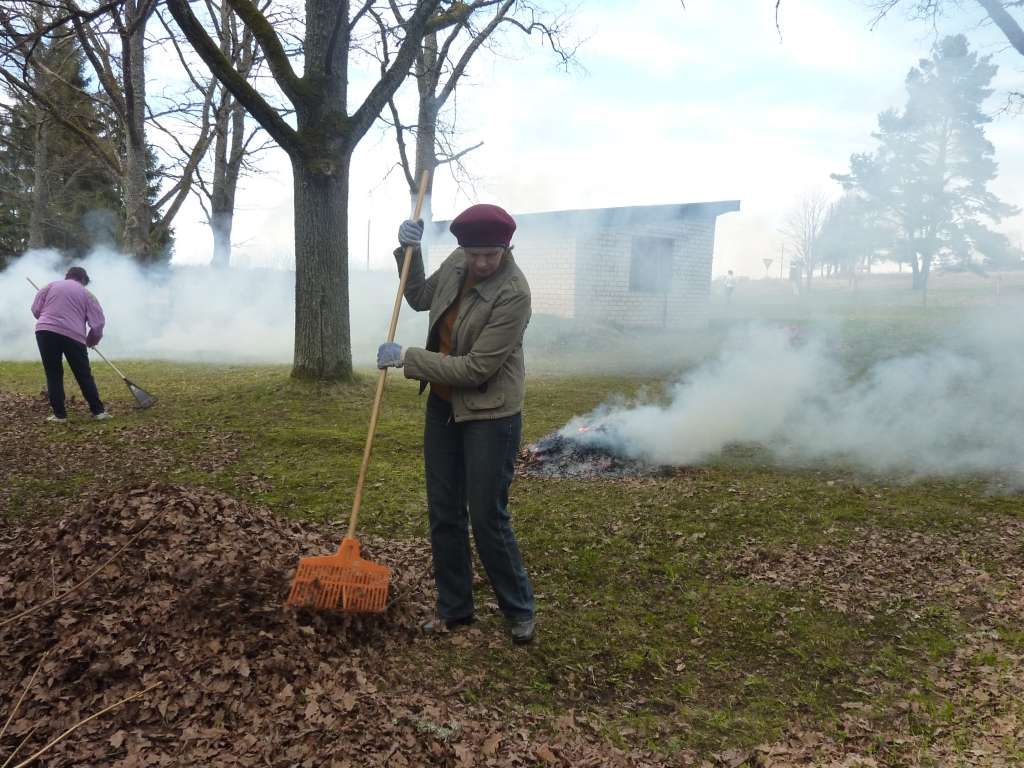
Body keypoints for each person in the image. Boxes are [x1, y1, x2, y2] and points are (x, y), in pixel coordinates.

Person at [377, 204, 536, 645]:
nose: (482, 263)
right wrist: (409, 251)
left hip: (491, 415)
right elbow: (418, 297)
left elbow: (476, 369)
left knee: (486, 516)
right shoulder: (456, 262)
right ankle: (455, 608)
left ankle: (519, 608)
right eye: (474, 254)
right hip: (443, 407)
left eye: (491, 254)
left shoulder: (514, 293)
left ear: (506, 248)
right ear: (462, 248)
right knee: (445, 511)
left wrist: (408, 358)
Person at [31, 266, 111, 423]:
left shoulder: (49, 286)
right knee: (83, 374)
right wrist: (91, 340)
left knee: (53, 373)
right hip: (73, 335)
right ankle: (98, 412)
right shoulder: (87, 294)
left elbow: (35, 310)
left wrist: (49, 318)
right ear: (83, 280)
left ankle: (59, 415)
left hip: (45, 331)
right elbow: (98, 324)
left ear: (67, 276)